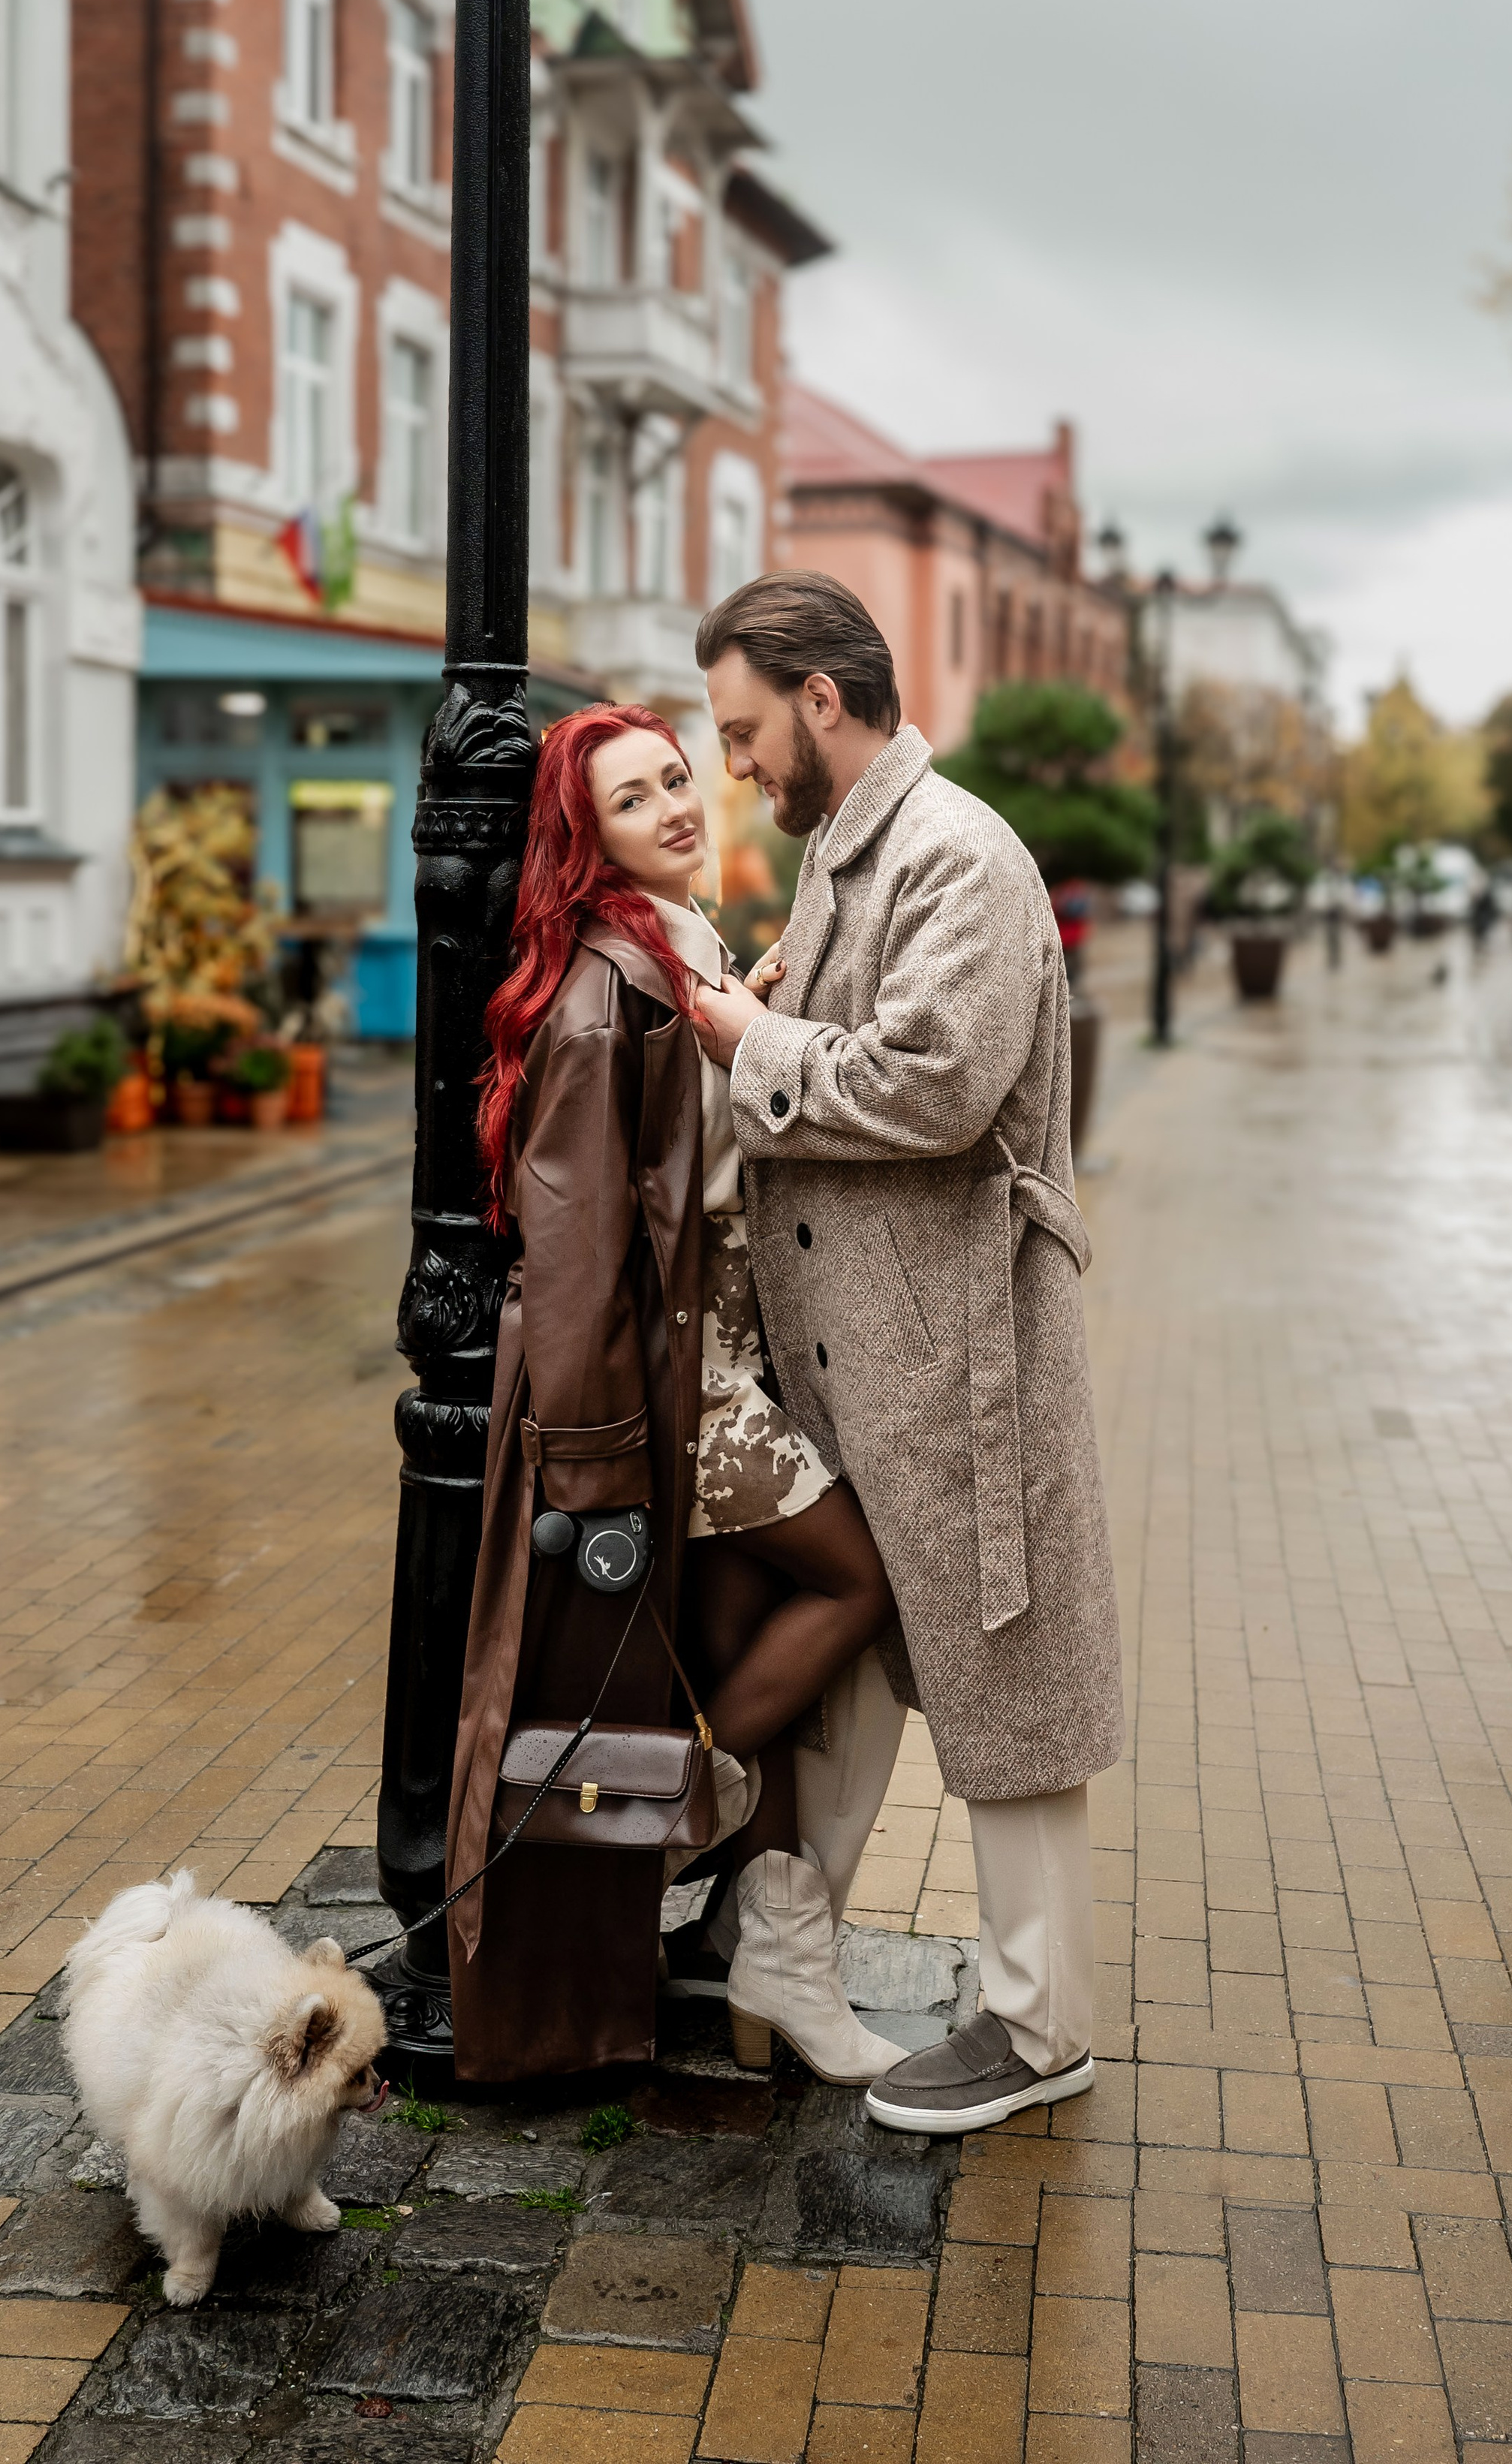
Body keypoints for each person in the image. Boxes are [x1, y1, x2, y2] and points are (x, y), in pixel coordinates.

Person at [691, 571, 1126, 2136]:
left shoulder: (953, 854)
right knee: (862, 1656)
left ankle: (1038, 2025)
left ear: (821, 695)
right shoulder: (840, 856)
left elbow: (935, 1085)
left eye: (742, 728)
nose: (731, 762)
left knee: (1003, 1675)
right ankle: (782, 1944)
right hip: (865, 1354)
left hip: (954, 1362)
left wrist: (753, 1046)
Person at [444, 703, 907, 2086]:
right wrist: (590, 1465)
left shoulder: (679, 943)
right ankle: (689, 1791)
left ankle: (764, 1945)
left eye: (674, 778)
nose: (673, 805)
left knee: (738, 1622)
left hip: (726, 1358)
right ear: (585, 841)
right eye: (632, 800)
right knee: (853, 1581)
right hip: (679, 1392)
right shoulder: (602, 994)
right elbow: (578, 1249)